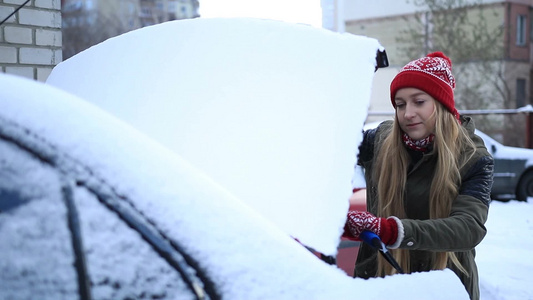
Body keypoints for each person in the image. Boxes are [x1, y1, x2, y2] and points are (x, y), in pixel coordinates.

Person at [342, 51, 494, 300]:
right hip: (379, 282)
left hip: (442, 286)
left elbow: (469, 228)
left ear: (441, 103)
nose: (408, 113)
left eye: (419, 101)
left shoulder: (474, 158)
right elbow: (330, 143)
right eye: (400, 105)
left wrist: (390, 230)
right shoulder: (381, 140)